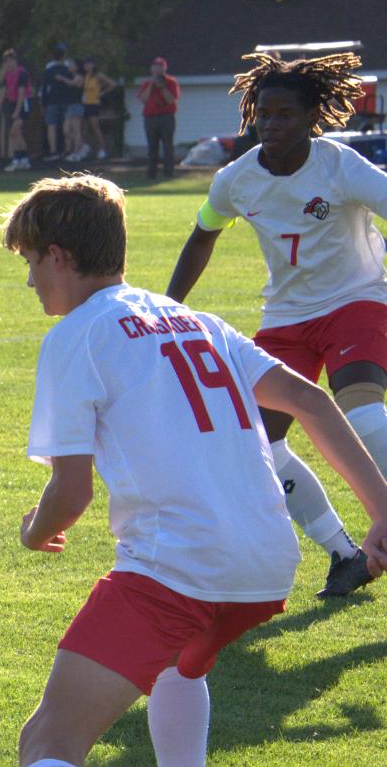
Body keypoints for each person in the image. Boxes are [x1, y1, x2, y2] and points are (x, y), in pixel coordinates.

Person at [0, 174, 387, 767]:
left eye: (30, 263)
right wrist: (381, 513)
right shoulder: (192, 318)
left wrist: (32, 531)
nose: (29, 280)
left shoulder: (75, 335)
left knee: (48, 737)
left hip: (177, 563)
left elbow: (68, 490)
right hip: (264, 562)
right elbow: (310, 406)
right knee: (181, 666)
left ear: (59, 254)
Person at [165, 51, 387, 597]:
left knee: (363, 415)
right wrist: (167, 310)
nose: (271, 124)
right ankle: (343, 552)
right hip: (286, 320)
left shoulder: (341, 167)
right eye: (264, 113)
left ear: (312, 116)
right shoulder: (235, 180)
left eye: (285, 114)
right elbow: (202, 237)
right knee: (255, 444)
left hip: (355, 302)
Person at [135, 56, 180, 179]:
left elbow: (171, 100)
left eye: (160, 66)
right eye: (155, 66)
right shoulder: (147, 83)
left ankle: (168, 172)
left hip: (166, 117)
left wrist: (162, 87)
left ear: (164, 68)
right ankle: (151, 173)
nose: (157, 69)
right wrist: (151, 84)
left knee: (167, 145)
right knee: (152, 146)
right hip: (150, 118)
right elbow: (143, 99)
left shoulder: (171, 82)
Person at [42, 44, 83, 164]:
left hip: (55, 102)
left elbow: (45, 88)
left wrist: (43, 103)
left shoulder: (50, 70)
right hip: (66, 102)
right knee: (66, 128)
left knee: (54, 126)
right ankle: (66, 150)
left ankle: (56, 151)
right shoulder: (67, 70)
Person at [0, 49, 35, 172]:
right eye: (6, 62)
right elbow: (4, 91)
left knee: (14, 132)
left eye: (10, 61)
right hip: (12, 103)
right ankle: (24, 160)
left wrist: (17, 111)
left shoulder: (22, 73)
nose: (8, 64)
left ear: (15, 61)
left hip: (22, 104)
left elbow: (21, 94)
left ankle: (16, 160)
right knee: (17, 134)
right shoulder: (7, 75)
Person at [77, 59, 113, 162]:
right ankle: (84, 148)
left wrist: (101, 93)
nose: (86, 66)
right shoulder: (85, 76)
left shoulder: (98, 75)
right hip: (85, 104)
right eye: (85, 64)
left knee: (95, 127)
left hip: (93, 104)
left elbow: (112, 84)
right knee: (83, 127)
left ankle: (102, 149)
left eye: (88, 64)